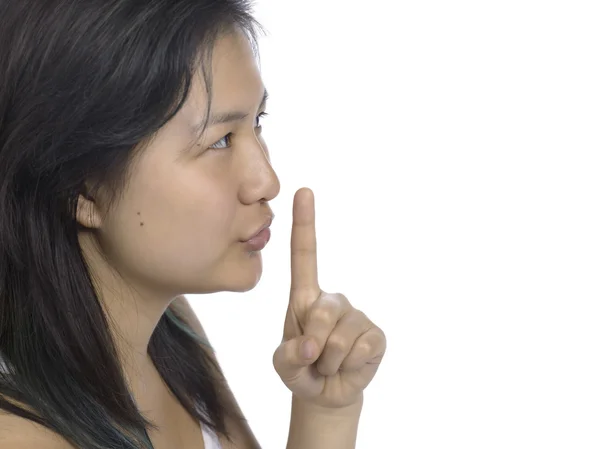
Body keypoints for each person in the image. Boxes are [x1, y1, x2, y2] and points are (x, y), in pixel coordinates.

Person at [0, 1, 387, 448]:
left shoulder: (169, 331)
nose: (267, 180)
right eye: (220, 140)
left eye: (256, 123)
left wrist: (327, 411)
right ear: (81, 190)